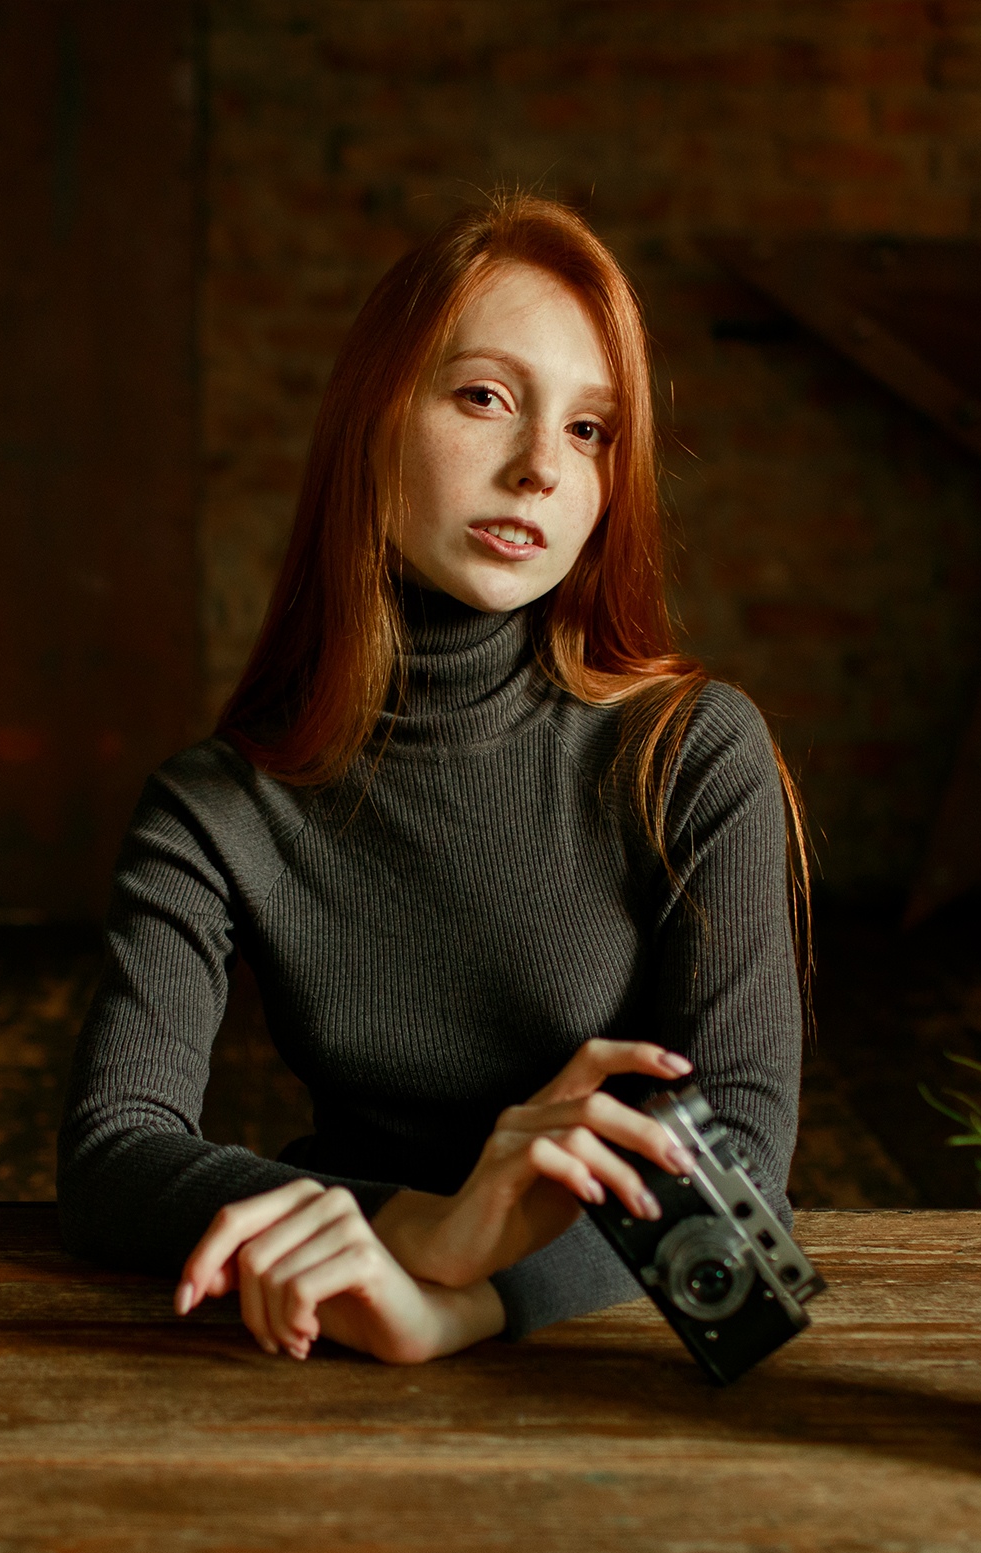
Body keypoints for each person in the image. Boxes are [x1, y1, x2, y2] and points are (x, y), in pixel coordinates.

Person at [58, 191, 808, 1366]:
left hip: (585, 1368)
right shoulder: (213, 807)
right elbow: (114, 1149)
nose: (538, 469)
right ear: (373, 417)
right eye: (486, 397)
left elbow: (743, 1167)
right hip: (310, 1325)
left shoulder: (688, 752)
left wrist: (460, 1302)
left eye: (590, 430)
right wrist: (420, 1229)